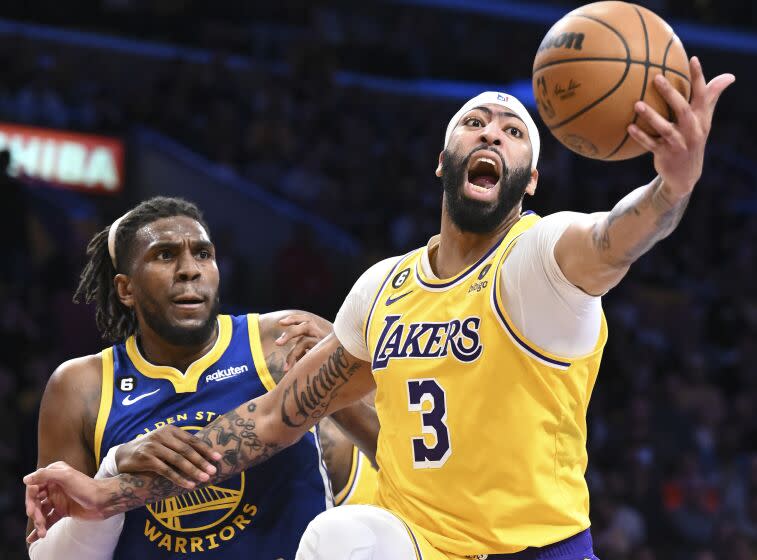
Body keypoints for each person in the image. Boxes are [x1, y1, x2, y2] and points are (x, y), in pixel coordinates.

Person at [25, 58, 734, 560]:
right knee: (341, 539)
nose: (491, 132)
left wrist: (668, 191)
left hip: (537, 547)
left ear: (530, 180)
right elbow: (270, 420)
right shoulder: (384, 289)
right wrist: (107, 493)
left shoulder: (542, 256)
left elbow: (613, 238)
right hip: (418, 544)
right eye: (474, 122)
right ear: (441, 159)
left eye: (513, 131)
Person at [24, 196, 377, 560]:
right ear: (126, 289)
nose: (189, 269)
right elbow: (50, 552)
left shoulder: (284, 338)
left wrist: (336, 385)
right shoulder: (81, 386)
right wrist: (112, 467)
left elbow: (394, 449)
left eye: (203, 254)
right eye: (165, 255)